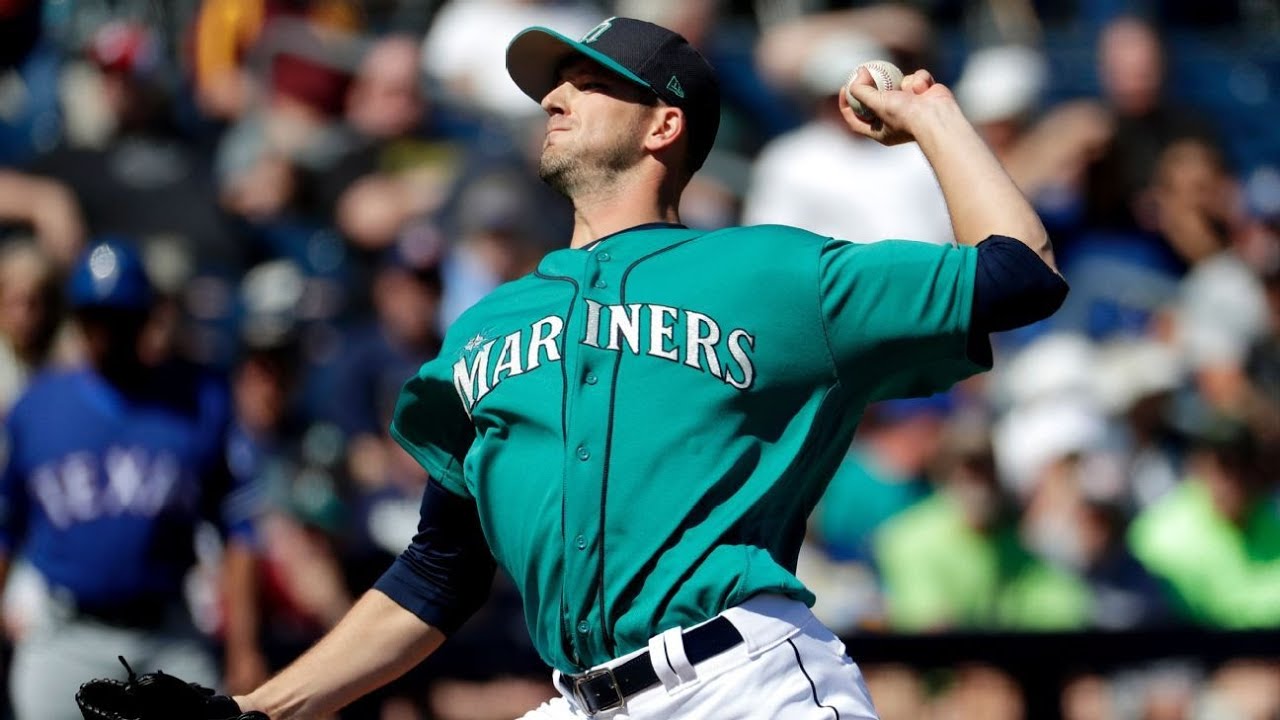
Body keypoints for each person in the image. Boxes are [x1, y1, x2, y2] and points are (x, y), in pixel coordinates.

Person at [202, 15, 1059, 719]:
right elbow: (438, 572)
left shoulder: (773, 275)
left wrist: (930, 115)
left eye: (588, 80)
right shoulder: (487, 324)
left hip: (741, 686)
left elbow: (1020, 272)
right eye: (554, 82)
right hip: (577, 703)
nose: (554, 95)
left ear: (664, 123)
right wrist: (258, 710)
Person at [0, 239, 266, 719]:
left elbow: (239, 530)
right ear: (76, 320)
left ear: (148, 317)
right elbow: (4, 530)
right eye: (94, 318)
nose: (107, 332)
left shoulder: (199, 400)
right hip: (64, 635)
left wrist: (243, 646)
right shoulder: (35, 410)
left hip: (167, 634)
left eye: (121, 317)